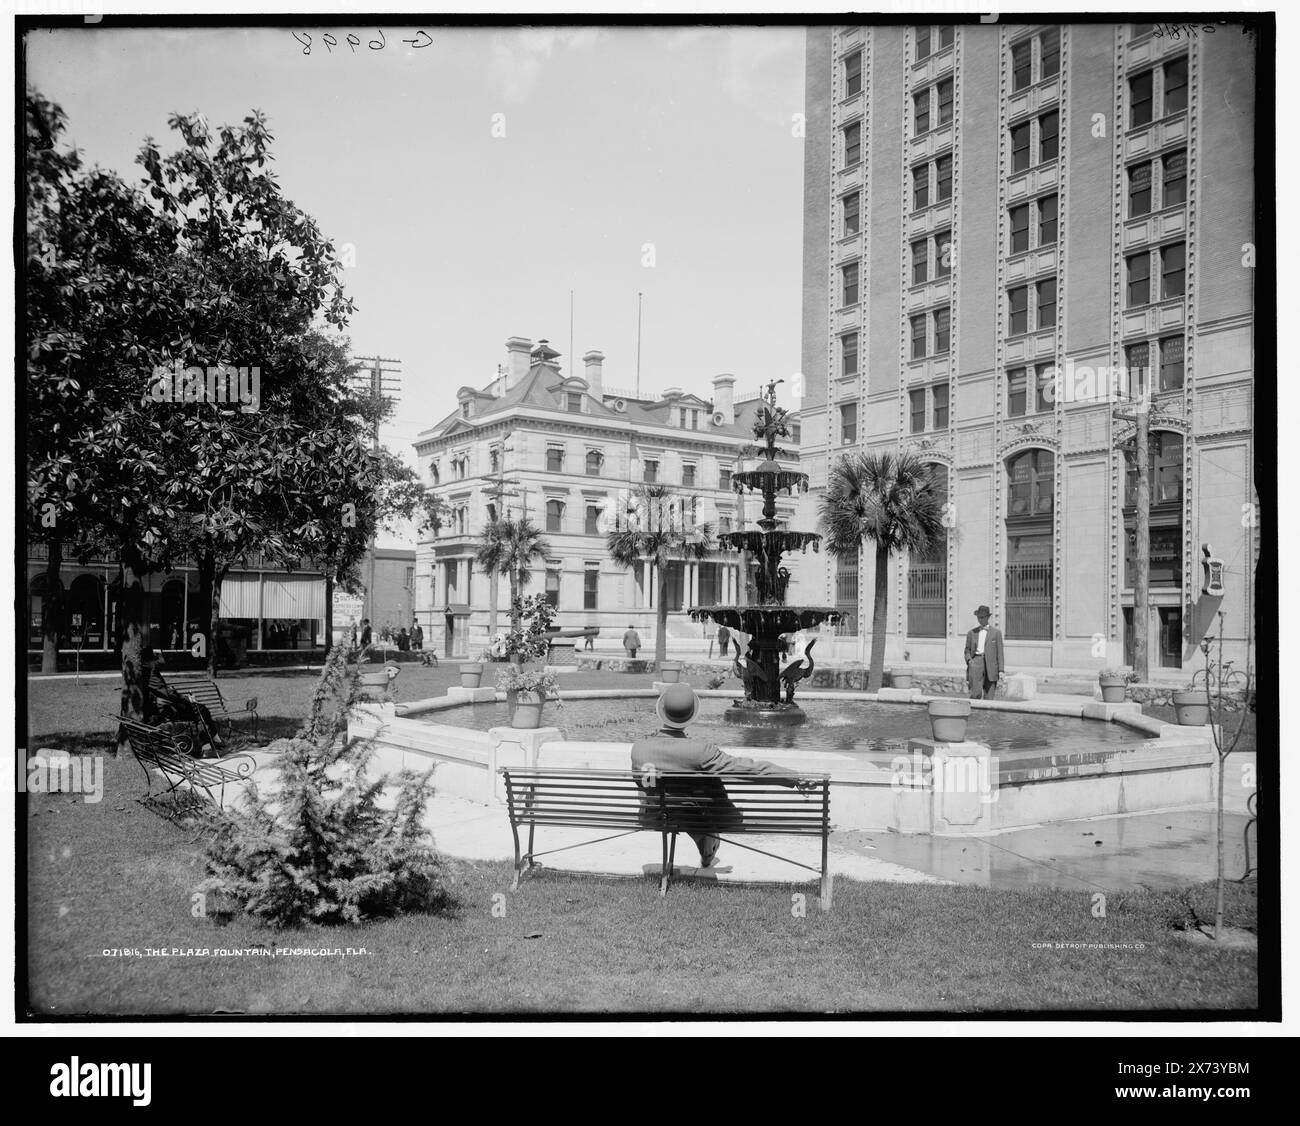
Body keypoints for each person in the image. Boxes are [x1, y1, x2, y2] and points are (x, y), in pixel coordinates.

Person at [630, 684, 816, 868]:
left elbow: (641, 784)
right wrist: (792, 777)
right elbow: (745, 768)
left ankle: (703, 837)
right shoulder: (700, 751)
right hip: (693, 817)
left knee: (678, 793)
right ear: (691, 716)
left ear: (661, 710)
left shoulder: (639, 748)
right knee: (702, 787)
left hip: (652, 817)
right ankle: (707, 837)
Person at [139, 647, 224, 755]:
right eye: (153, 659)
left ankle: (210, 745)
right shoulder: (149, 673)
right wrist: (186, 698)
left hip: (164, 707)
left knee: (199, 711)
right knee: (200, 710)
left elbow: (165, 691)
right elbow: (166, 693)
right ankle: (212, 745)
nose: (156, 662)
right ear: (148, 661)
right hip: (163, 710)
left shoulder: (146, 671)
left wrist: (182, 698)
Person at [964, 605, 1006, 700]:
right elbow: (967, 650)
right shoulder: (972, 633)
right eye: (978, 617)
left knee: (989, 696)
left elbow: (1000, 653)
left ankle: (988, 715)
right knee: (975, 694)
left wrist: (1001, 670)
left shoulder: (996, 633)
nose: (980, 619)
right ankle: (974, 714)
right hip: (976, 662)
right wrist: (970, 661)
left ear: (988, 617)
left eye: (982, 617)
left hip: (991, 665)